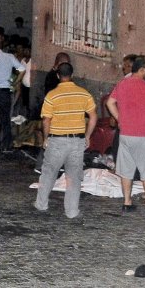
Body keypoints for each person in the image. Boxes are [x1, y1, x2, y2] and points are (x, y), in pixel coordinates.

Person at [33, 62, 97, 219]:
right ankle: (72, 211)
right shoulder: (84, 94)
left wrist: (46, 138)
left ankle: (41, 204)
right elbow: (93, 116)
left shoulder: (52, 95)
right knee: (74, 177)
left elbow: (46, 120)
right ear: (72, 75)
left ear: (57, 76)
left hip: (57, 141)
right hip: (77, 141)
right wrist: (87, 136)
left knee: (48, 173)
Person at [105, 55, 145, 214]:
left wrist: (119, 118)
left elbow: (109, 103)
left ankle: (127, 202)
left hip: (126, 133)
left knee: (126, 169)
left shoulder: (122, 84)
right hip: (144, 134)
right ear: (142, 69)